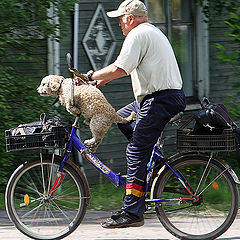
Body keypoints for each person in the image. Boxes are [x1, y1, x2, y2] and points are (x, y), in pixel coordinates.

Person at [82, 0, 186, 228]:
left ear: (130, 18)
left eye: (120, 19)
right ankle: (150, 164)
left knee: (135, 150)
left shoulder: (137, 34)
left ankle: (133, 212)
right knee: (121, 117)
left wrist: (90, 77)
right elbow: (123, 67)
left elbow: (121, 68)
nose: (119, 24)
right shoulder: (150, 31)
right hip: (160, 98)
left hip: (159, 100)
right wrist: (100, 80)